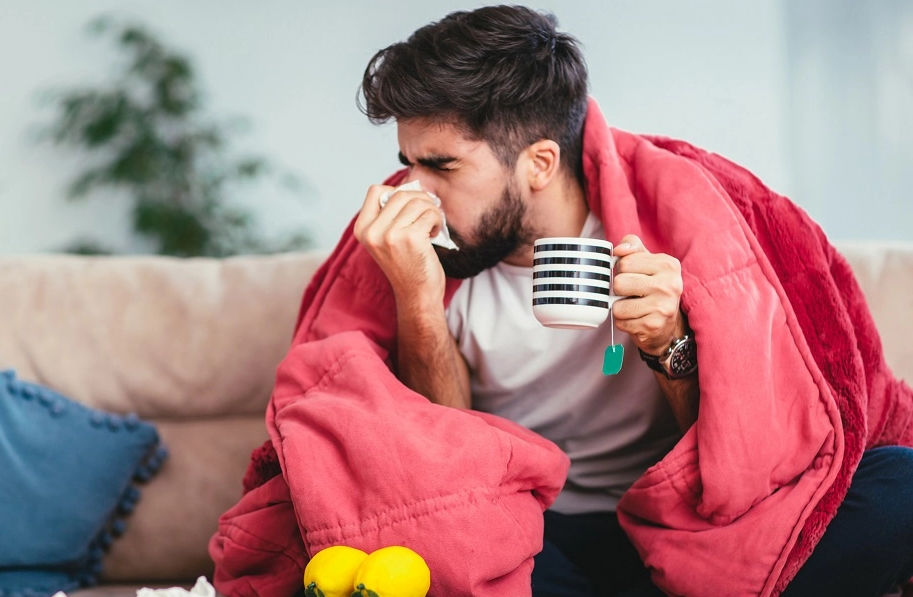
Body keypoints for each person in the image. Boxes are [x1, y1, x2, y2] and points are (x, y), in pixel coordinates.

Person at [349, 5, 913, 597]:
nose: (414, 191)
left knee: (901, 481)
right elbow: (442, 465)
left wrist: (669, 341)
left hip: (682, 522)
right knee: (454, 549)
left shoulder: (665, 226)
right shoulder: (431, 260)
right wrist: (416, 297)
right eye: (407, 164)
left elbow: (740, 454)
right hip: (532, 533)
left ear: (539, 162)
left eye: (441, 166)